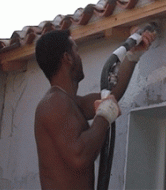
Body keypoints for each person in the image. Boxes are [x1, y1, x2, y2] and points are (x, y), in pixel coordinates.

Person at [34, 27, 155, 190]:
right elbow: (79, 155)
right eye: (76, 51)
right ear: (67, 58)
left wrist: (133, 55)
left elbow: (112, 94)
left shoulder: (71, 102)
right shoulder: (54, 103)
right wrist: (104, 115)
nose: (80, 57)